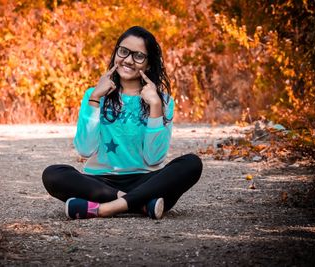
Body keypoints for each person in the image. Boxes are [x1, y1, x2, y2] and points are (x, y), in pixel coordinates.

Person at [42, 26, 202, 220]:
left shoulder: (163, 101)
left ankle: (103, 209)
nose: (128, 60)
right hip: (99, 183)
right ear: (116, 52)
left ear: (149, 64)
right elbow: (84, 150)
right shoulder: (94, 94)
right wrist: (95, 98)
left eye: (138, 56)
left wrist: (155, 106)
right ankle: (141, 205)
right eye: (124, 51)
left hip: (146, 182)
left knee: (192, 163)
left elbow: (154, 158)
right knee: (53, 174)